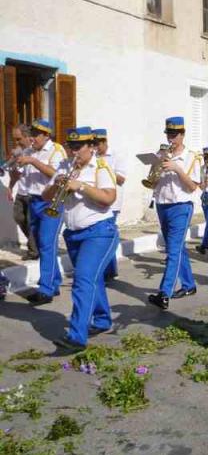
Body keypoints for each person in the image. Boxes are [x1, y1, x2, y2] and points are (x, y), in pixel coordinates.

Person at [42, 127, 119, 351]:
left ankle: (76, 336)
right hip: (74, 233)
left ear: (91, 147)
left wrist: (81, 186)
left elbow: (108, 198)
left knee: (83, 280)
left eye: (78, 147)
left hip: (99, 231)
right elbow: (46, 196)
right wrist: (57, 183)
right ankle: (103, 320)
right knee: (92, 280)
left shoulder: (101, 167)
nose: (73, 151)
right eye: (70, 146)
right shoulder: (64, 166)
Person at [148, 117, 201, 310]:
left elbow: (193, 186)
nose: (171, 138)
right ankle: (189, 285)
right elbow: (152, 182)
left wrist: (177, 168)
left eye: (174, 134)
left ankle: (164, 293)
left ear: (182, 134)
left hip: (181, 205)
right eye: (169, 134)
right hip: (162, 204)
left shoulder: (192, 156)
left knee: (172, 251)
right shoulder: (161, 153)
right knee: (176, 247)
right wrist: (156, 166)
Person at [16, 120, 67, 305]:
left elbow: (57, 174)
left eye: (36, 134)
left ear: (46, 135)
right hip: (34, 201)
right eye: (31, 133)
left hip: (51, 202)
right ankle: (54, 282)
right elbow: (25, 175)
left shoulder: (57, 150)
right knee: (42, 244)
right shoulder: (29, 151)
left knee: (46, 244)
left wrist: (33, 161)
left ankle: (45, 290)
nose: (32, 138)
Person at [94, 128, 127, 281]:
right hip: (96, 200)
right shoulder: (93, 156)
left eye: (98, 144)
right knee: (102, 236)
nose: (96, 147)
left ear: (105, 142)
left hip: (112, 202)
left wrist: (105, 168)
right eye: (93, 144)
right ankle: (110, 270)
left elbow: (121, 179)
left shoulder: (116, 156)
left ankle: (108, 271)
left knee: (107, 235)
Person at [7, 124, 39, 260]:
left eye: (19, 139)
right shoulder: (21, 152)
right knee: (18, 217)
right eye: (15, 139)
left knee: (31, 221)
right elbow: (16, 173)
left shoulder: (34, 151)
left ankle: (33, 250)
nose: (17, 142)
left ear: (27, 137)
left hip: (33, 193)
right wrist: (10, 186)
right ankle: (36, 245)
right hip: (21, 191)